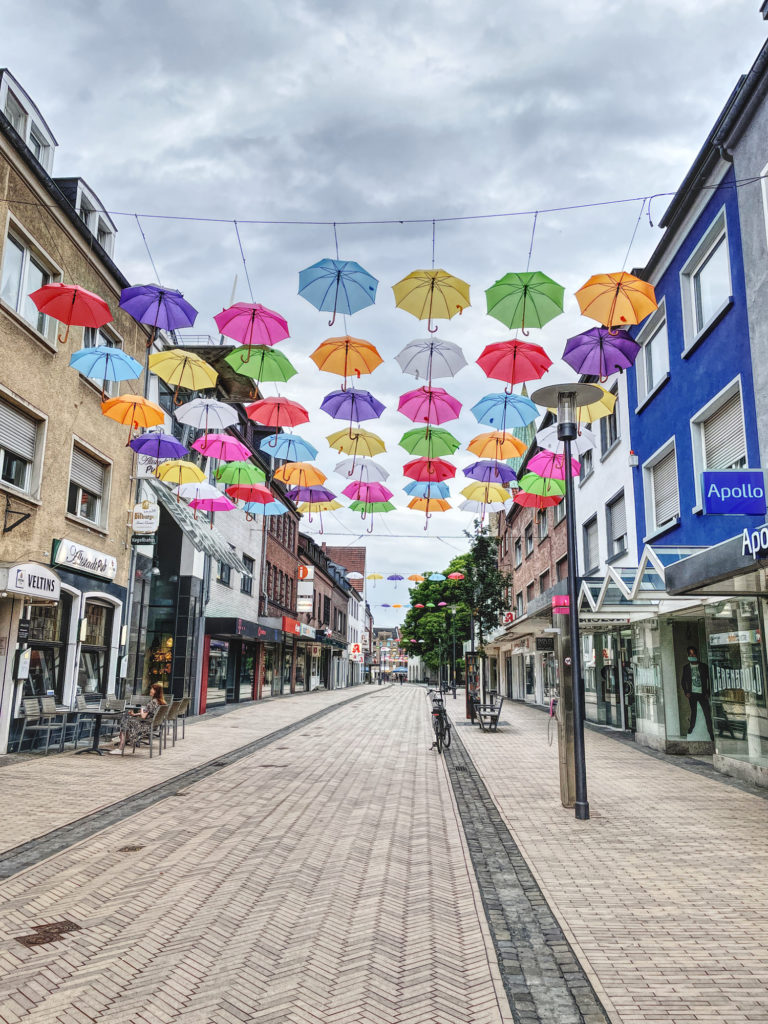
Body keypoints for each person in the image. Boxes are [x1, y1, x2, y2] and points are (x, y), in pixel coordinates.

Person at [116, 683, 166, 751]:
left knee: (125, 720)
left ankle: (121, 745)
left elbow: (143, 716)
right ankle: (125, 737)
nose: (150, 690)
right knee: (129, 720)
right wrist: (135, 714)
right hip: (153, 725)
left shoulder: (152, 702)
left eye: (153, 689)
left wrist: (142, 708)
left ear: (156, 692)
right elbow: (149, 713)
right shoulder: (161, 702)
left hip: (145, 726)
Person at [680, 646, 714, 739]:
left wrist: (708, 692)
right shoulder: (686, 668)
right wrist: (686, 692)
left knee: (707, 713)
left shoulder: (703, 667)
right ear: (688, 655)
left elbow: (710, 680)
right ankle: (691, 730)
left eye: (693, 653)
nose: (692, 655)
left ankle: (711, 733)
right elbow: (683, 681)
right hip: (692, 694)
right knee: (693, 712)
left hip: (702, 694)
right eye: (690, 654)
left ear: (696, 654)